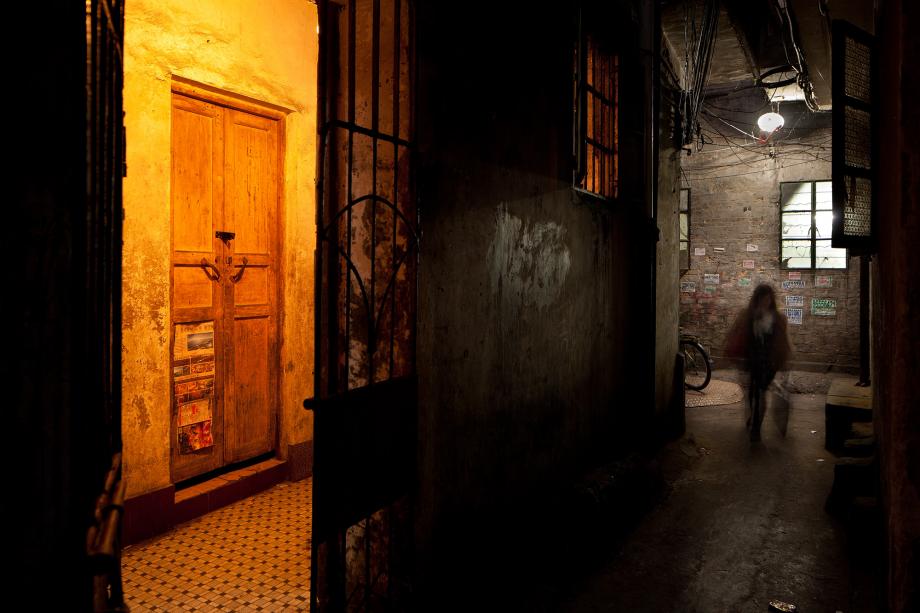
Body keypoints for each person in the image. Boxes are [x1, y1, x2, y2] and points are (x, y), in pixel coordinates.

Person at [725, 283, 792, 441]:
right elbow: (737, 335)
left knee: (761, 393)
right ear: (757, 299)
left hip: (769, 362)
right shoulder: (748, 315)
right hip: (752, 360)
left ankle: (756, 427)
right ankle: (752, 415)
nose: (765, 302)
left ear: (771, 299)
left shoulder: (778, 318)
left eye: (768, 298)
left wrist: (785, 361)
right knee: (752, 393)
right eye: (762, 298)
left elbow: (783, 342)